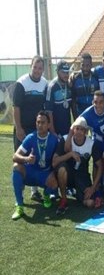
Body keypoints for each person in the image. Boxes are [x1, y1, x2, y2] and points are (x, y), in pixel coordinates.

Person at [11, 111, 58, 220]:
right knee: (16, 167)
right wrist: (26, 159)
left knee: (55, 180)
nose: (40, 125)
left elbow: (58, 160)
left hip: (45, 174)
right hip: (30, 173)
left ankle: (47, 196)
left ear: (49, 125)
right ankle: (19, 205)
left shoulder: (54, 139)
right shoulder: (30, 137)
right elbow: (15, 156)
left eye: (43, 122)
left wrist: (54, 172)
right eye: (38, 122)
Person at [13, 55, 48, 202]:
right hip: (23, 129)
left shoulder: (45, 84)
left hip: (37, 128)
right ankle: (19, 197)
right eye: (35, 67)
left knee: (36, 157)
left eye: (40, 68)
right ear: (30, 66)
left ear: (43, 70)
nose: (37, 70)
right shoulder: (21, 83)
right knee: (20, 161)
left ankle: (34, 191)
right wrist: (19, 128)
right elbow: (16, 107)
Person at [52, 116, 103, 213]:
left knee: (90, 203)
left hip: (82, 175)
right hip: (68, 174)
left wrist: (93, 187)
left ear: (86, 132)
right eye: (77, 129)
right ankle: (63, 199)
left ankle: (75, 192)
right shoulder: (65, 139)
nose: (79, 132)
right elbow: (54, 162)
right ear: (73, 129)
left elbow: (99, 166)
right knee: (62, 170)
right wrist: (70, 154)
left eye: (82, 129)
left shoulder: (91, 144)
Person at [45, 60, 72, 137]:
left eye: (67, 72)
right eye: (63, 72)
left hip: (67, 128)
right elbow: (49, 111)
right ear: (57, 72)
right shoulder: (52, 87)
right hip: (55, 129)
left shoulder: (69, 85)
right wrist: (52, 131)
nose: (66, 75)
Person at [70, 53, 99, 119]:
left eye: (87, 65)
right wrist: (75, 118)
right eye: (83, 65)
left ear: (91, 65)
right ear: (80, 65)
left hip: (94, 115)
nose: (85, 68)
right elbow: (73, 101)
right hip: (80, 116)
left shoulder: (96, 78)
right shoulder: (75, 78)